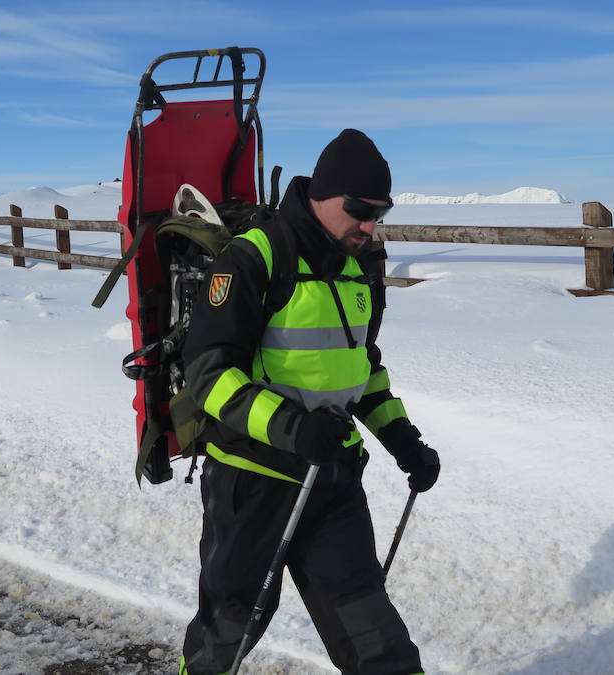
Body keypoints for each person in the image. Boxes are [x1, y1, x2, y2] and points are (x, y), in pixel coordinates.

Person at [180, 129, 441, 674]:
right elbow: (208, 375)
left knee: (373, 632)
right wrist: (293, 429)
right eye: (359, 211)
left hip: (332, 475)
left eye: (380, 215)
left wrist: (403, 440)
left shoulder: (362, 262)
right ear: (322, 195)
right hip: (253, 479)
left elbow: (360, 364)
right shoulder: (254, 257)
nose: (370, 227)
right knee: (229, 626)